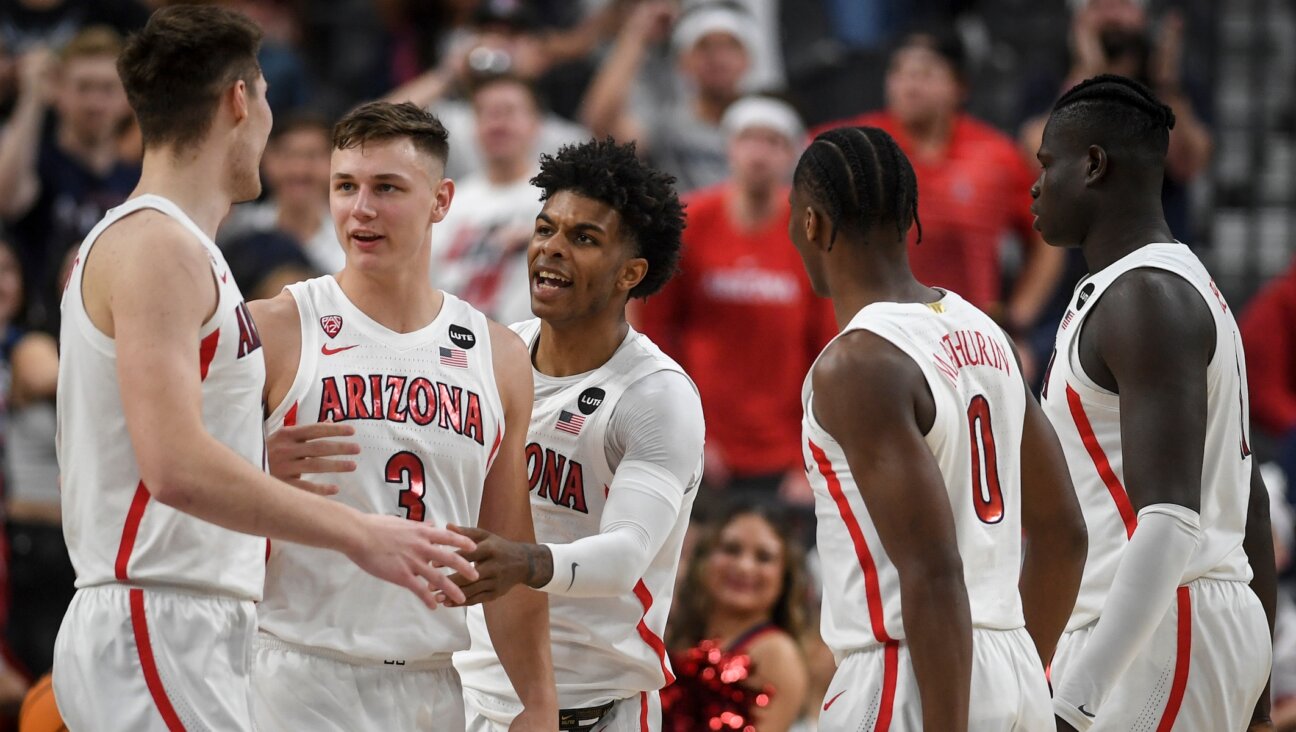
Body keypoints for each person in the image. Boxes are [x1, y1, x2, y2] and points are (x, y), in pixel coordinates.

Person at [51, 8, 477, 730]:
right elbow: (175, 468)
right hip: (156, 617)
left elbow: (158, 445)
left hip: (187, 617)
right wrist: (358, 532)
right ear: (239, 101)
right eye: (269, 101)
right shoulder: (158, 245)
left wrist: (250, 456)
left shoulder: (180, 245)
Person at [248, 100, 557, 732]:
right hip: (292, 671)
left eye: (387, 188)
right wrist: (251, 467)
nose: (361, 209)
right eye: (345, 187)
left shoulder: (499, 358)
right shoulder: (272, 329)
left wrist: (538, 700)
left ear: (442, 200)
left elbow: (504, 557)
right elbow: (174, 493)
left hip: (432, 682)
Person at [789, 125, 1087, 730]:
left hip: (907, 676)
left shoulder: (857, 363)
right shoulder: (989, 335)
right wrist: (1023, 665)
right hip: (1014, 669)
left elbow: (932, 569)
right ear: (909, 219)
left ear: (813, 223)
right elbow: (1064, 534)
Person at [1031, 74, 1274, 732]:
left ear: (1093, 164)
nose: (1035, 186)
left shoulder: (1145, 296)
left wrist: (1073, 703)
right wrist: (1257, 674)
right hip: (1184, 625)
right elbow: (1250, 497)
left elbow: (1168, 522)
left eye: (1047, 165)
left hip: (1162, 628)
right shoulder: (1171, 285)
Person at [449, 138, 704, 732]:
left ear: (630, 274)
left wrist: (526, 561)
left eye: (583, 238)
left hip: (596, 709)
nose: (551, 250)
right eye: (544, 229)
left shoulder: (655, 394)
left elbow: (625, 556)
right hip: (470, 693)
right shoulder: (491, 358)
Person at [810, 29, 1064, 356]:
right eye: (899, 73)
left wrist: (1018, 320)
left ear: (959, 87)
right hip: (872, 338)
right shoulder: (855, 146)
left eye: (925, 73)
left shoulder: (995, 155)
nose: (909, 84)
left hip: (966, 343)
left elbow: (1048, 238)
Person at [637, 94, 835, 503]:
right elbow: (653, 335)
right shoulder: (689, 224)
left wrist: (809, 459)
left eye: (774, 142)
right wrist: (687, 435)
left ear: (791, 156)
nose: (759, 153)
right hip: (701, 445)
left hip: (785, 454)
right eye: (748, 139)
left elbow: (827, 351)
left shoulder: (813, 235)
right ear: (729, 147)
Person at [0, 25, 140, 327]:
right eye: (84, 87)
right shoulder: (37, 163)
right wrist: (32, 98)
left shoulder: (137, 178)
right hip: (39, 331)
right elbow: (5, 199)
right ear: (60, 91)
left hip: (114, 329)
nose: (95, 102)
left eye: (106, 89)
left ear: (126, 99)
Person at [663, 504, 811, 732]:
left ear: (785, 576)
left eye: (764, 557)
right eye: (731, 549)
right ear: (704, 559)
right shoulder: (679, 633)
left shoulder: (777, 653)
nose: (744, 567)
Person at [580, 2, 752, 192]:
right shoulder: (665, 125)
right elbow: (602, 125)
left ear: (748, 59)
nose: (718, 58)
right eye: (704, 47)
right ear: (683, 62)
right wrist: (637, 34)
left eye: (730, 46)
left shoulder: (770, 125)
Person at [430, 74, 545, 326]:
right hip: (452, 346)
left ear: (536, 124)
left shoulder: (559, 199)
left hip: (530, 349)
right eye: (487, 113)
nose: (498, 124)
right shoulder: (450, 200)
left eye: (509, 112)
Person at [220, 112, 343, 275]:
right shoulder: (242, 231)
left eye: (313, 156)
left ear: (335, 162)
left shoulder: (350, 238)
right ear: (267, 161)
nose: (300, 170)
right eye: (288, 155)